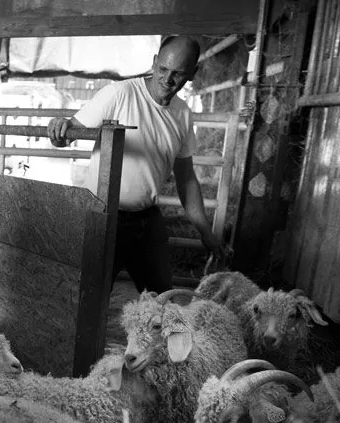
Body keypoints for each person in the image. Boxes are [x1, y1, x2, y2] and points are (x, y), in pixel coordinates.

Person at [47, 35, 230, 294]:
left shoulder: (182, 114)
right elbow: (69, 133)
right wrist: (60, 127)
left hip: (147, 220)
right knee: (88, 298)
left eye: (177, 74)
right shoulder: (119, 94)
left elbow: (186, 178)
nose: (167, 80)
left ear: (193, 73)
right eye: (163, 69)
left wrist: (205, 231)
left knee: (163, 298)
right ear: (154, 62)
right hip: (104, 215)